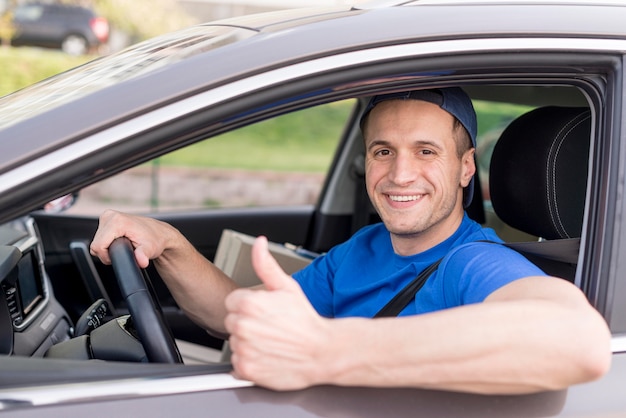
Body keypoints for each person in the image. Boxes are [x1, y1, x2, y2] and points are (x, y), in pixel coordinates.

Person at [90, 87, 611, 394]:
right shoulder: (364, 248)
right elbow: (236, 314)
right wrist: (169, 243)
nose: (400, 174)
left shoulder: (473, 263)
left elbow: (578, 342)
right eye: (383, 151)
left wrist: (325, 351)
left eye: (426, 151)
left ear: (465, 168)